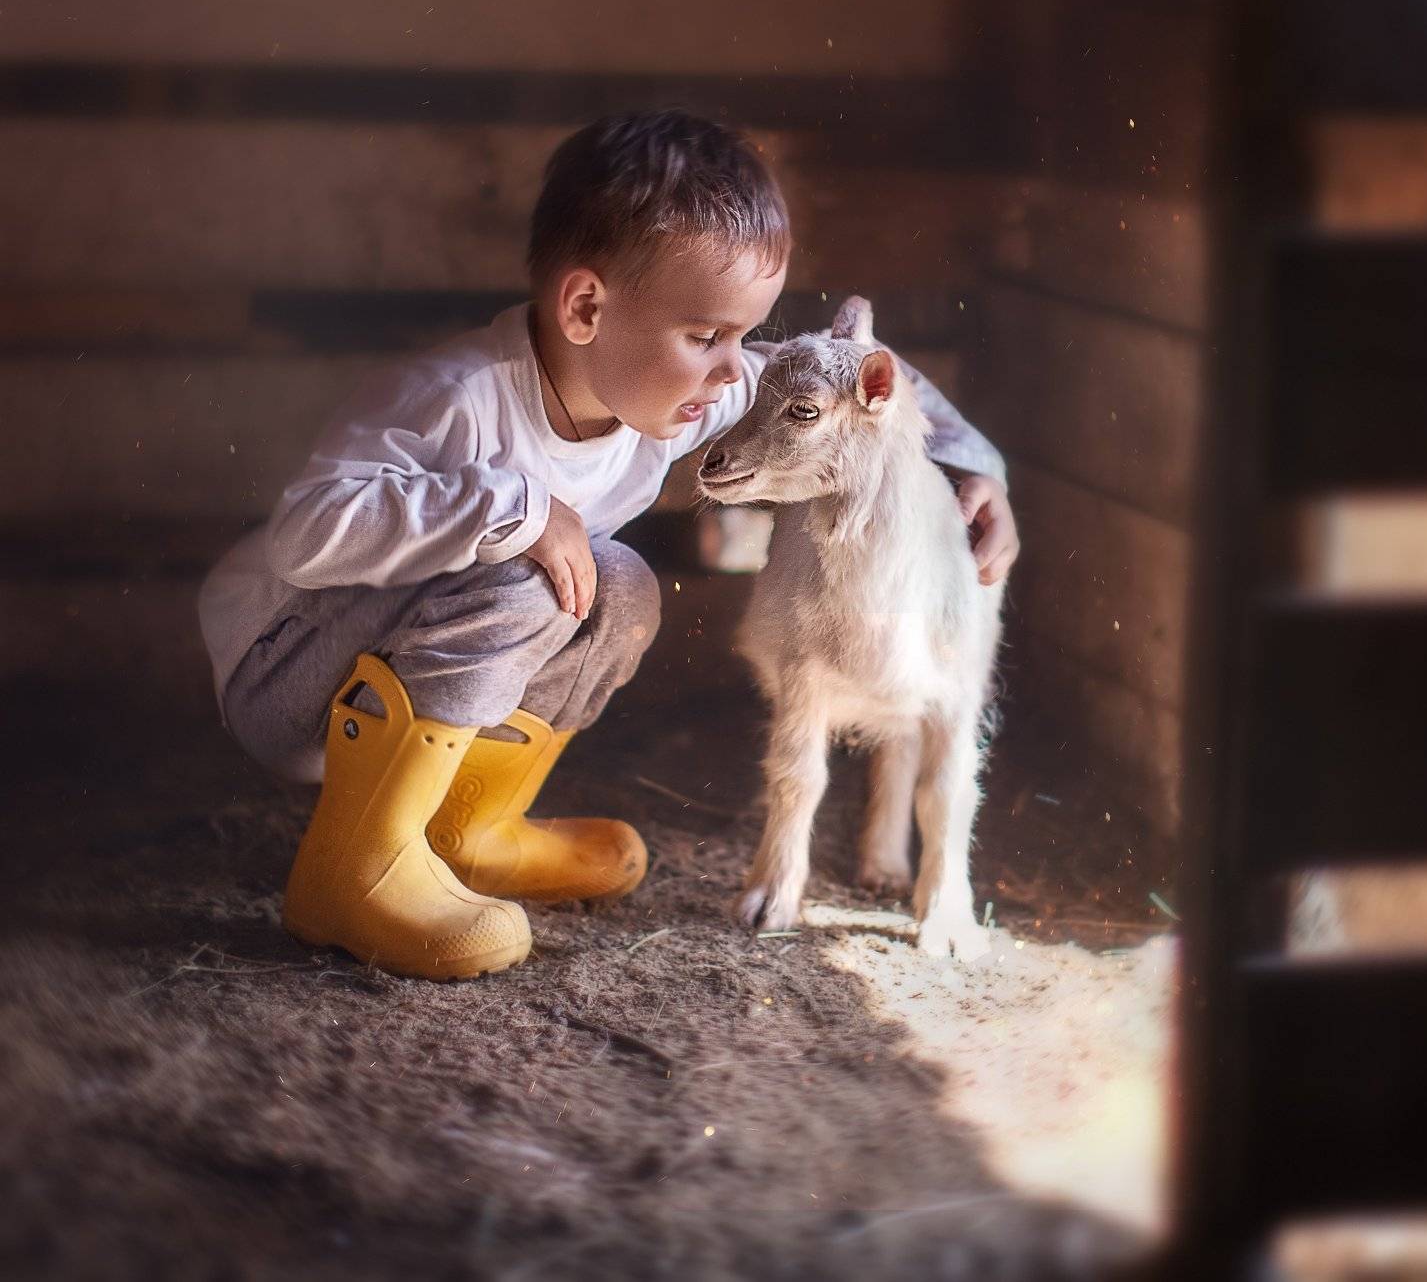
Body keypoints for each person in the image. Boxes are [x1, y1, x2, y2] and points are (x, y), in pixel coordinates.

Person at [197, 110, 1018, 981]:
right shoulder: (454, 397)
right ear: (587, 307)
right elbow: (306, 535)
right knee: (530, 568)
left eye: (742, 336)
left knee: (618, 586)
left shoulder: (685, 388)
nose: (734, 368)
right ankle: (357, 869)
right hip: (290, 670)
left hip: (392, 676)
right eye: (708, 337)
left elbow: (858, 378)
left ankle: (464, 831)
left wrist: (979, 468)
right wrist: (519, 505)